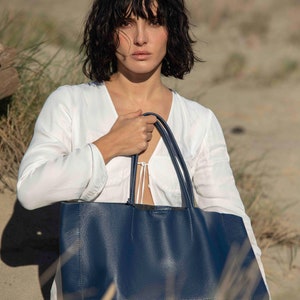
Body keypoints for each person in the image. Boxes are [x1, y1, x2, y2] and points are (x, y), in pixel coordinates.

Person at [17, 0, 270, 298]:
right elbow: (30, 191)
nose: (140, 37)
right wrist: (107, 146)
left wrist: (257, 288)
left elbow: (229, 218)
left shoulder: (199, 121)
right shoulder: (71, 104)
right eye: (125, 23)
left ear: (170, 31)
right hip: (96, 289)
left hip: (180, 288)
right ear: (107, 32)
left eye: (154, 22)